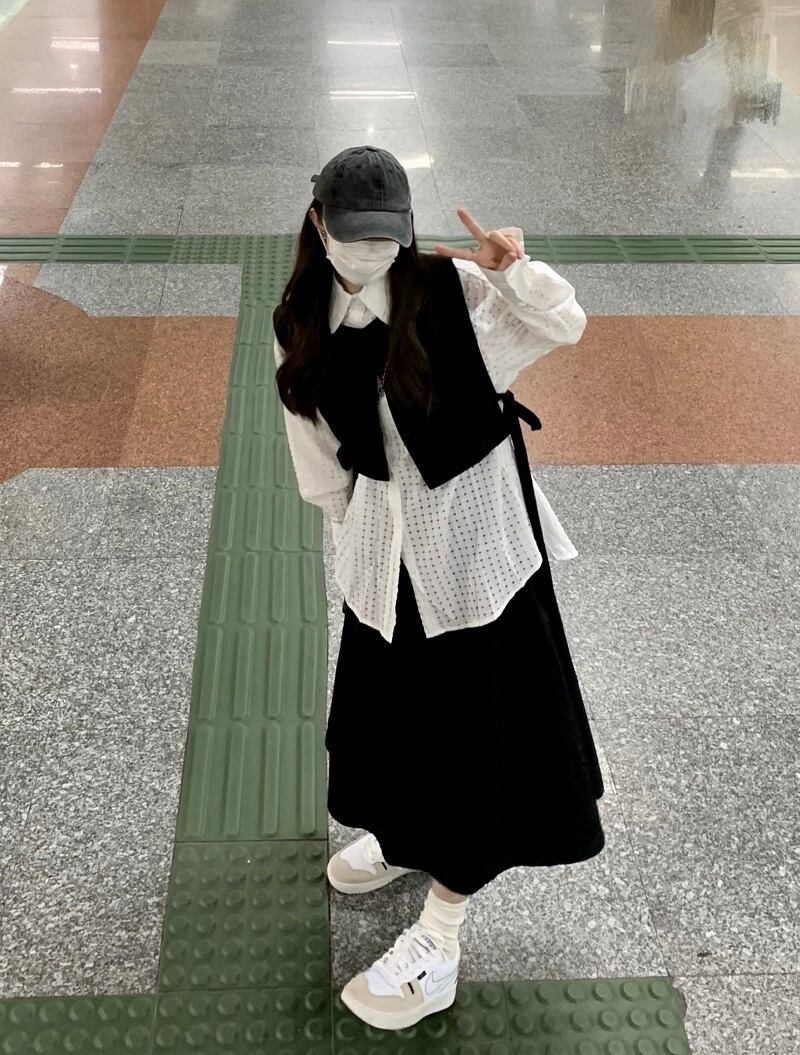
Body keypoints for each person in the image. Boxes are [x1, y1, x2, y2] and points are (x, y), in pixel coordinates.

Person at [273, 145, 606, 1032]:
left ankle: (440, 939)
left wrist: (513, 270)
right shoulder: (299, 317)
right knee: (393, 721)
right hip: (383, 557)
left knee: (479, 740)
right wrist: (350, 550)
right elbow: (316, 455)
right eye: (354, 232)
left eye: (388, 235)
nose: (372, 250)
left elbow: (565, 323)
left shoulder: (451, 293)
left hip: (477, 557)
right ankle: (405, 836)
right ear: (319, 224)